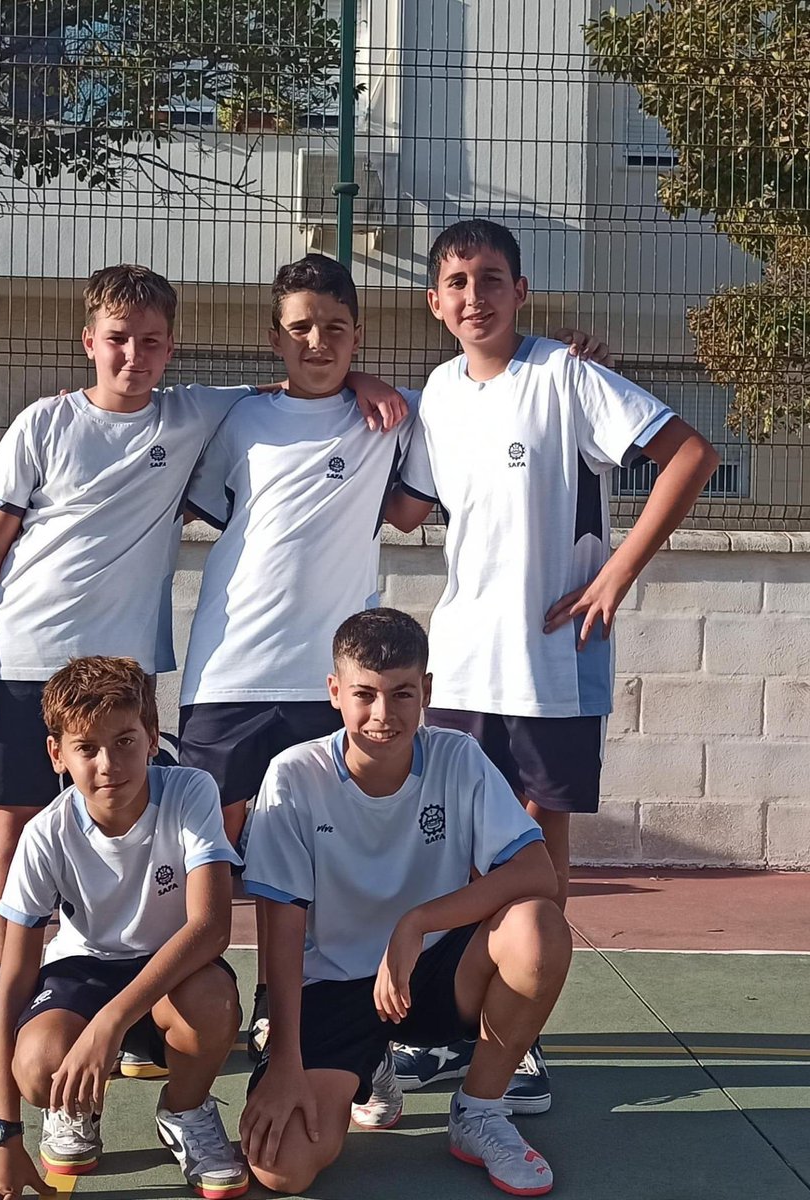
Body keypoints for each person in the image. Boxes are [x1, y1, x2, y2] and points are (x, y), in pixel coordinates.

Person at [0, 263, 403, 1097]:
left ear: (170, 350)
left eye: (152, 342)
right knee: (13, 826)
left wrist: (357, 372)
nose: (134, 356)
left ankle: (189, 1006)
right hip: (21, 658)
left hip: (125, 669)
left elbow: (290, 380)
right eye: (118, 340)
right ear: (89, 342)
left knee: (162, 832)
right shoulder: (44, 423)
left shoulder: (197, 412)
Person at [176, 253, 606, 1069]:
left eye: (336, 329)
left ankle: (307, 1009)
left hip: (334, 687)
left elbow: (487, 394)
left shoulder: (400, 415)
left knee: (328, 861)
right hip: (228, 673)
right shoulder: (239, 418)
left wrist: (577, 363)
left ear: (359, 335)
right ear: (275, 337)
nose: (317, 341)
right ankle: (182, 1014)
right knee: (209, 860)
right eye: (300, 328)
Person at [386, 218, 720, 1103]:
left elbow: (691, 453)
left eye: (491, 278)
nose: (474, 295)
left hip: (553, 665)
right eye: (456, 282)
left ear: (520, 291)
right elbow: (407, 509)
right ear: (435, 302)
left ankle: (519, 1032)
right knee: (456, 850)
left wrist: (616, 573)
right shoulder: (437, 395)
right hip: (459, 665)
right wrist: (348, 398)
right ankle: (447, 1028)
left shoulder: (568, 374)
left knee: (536, 846)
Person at [239, 608, 571, 1197]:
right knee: (282, 1169)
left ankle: (479, 1111)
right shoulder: (293, 777)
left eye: (402, 694)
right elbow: (281, 934)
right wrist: (285, 1057)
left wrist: (416, 924)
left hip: (428, 974)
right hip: (330, 988)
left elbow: (536, 871)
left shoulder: (458, 757)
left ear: (427, 693)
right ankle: (369, 1069)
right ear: (335, 692)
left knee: (537, 929)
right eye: (364, 694)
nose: (383, 715)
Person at [0, 656, 247, 1200]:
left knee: (212, 1004)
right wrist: (2, 1136)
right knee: (38, 1063)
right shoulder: (45, 834)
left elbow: (209, 928)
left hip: (173, 966)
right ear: (57, 754)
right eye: (86, 747)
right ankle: (74, 1109)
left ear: (153, 738)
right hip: (83, 970)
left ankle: (185, 1110)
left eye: (125, 741)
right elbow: (12, 983)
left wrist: (108, 1024)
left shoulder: (191, 792)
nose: (109, 763)